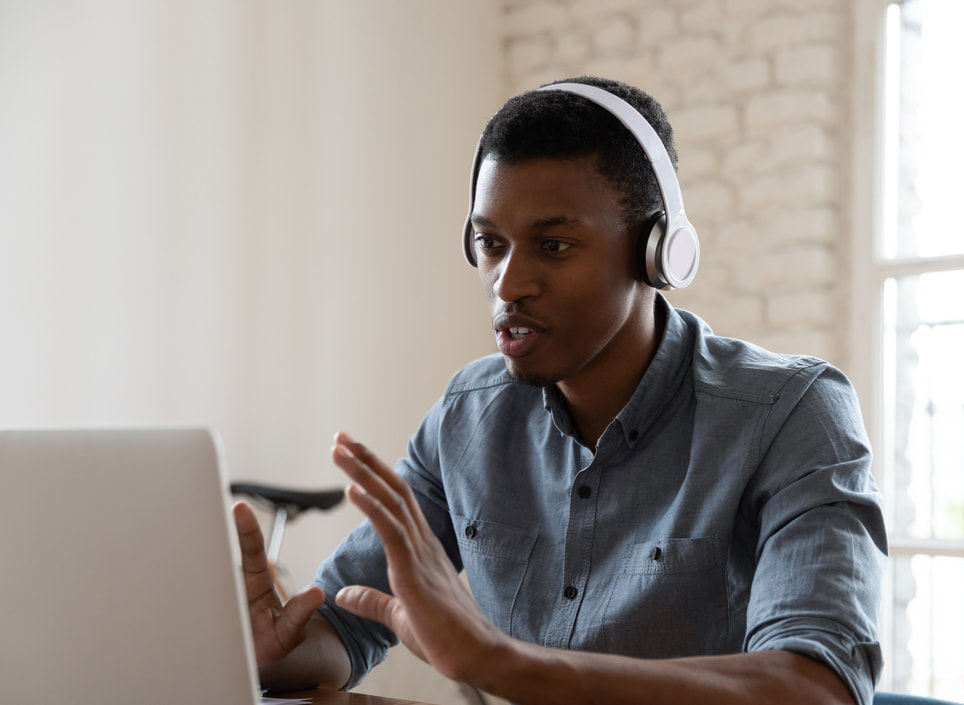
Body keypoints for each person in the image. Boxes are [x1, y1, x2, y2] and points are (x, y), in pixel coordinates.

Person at [231, 75, 887, 705]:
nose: (507, 283)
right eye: (491, 243)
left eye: (553, 244)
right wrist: (270, 650)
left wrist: (506, 664)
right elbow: (343, 627)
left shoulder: (792, 413)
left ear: (656, 252)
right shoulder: (468, 417)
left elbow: (815, 688)